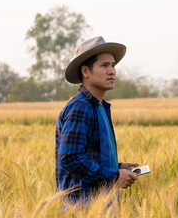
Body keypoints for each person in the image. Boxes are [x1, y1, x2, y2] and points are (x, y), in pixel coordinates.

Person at [56, 36, 139, 208]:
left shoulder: (98, 106)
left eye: (113, 65)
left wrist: (117, 167)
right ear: (85, 72)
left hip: (101, 203)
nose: (112, 71)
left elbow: (89, 156)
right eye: (104, 65)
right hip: (84, 206)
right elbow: (70, 158)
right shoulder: (80, 107)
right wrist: (114, 176)